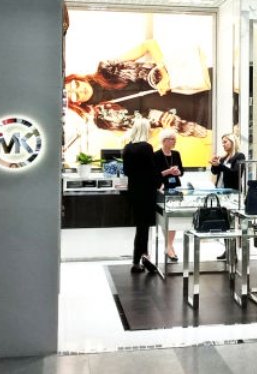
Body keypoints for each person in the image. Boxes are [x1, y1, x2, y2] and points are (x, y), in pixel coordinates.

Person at [64, 39, 209, 137]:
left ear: (78, 79)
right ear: (77, 103)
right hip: (188, 113)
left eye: (75, 85)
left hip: (188, 81)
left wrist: (164, 75)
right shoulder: (104, 119)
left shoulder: (107, 70)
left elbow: (149, 45)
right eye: (74, 96)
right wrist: (165, 128)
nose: (80, 90)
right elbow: (143, 135)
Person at [122, 118, 159, 274]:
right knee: (144, 227)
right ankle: (139, 259)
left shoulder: (127, 148)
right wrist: (159, 182)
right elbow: (152, 171)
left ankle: (141, 257)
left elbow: (126, 171)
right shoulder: (146, 147)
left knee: (141, 226)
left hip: (134, 190)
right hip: (147, 191)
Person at [210, 132, 246, 261]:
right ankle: (228, 250)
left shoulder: (239, 156)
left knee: (232, 224)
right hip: (221, 193)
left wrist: (220, 165)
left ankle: (233, 252)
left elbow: (235, 173)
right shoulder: (224, 157)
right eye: (222, 142)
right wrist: (215, 163)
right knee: (225, 223)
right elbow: (215, 171)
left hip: (232, 194)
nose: (223, 144)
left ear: (232, 142)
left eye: (225, 142)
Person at [154, 129, 184, 262]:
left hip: (175, 188)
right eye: (172, 139)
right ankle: (168, 246)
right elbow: (155, 174)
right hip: (162, 189)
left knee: (174, 217)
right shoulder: (156, 155)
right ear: (164, 141)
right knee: (165, 218)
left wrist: (178, 172)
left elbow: (182, 170)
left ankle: (169, 246)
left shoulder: (176, 154)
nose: (174, 142)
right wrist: (168, 171)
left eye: (175, 139)